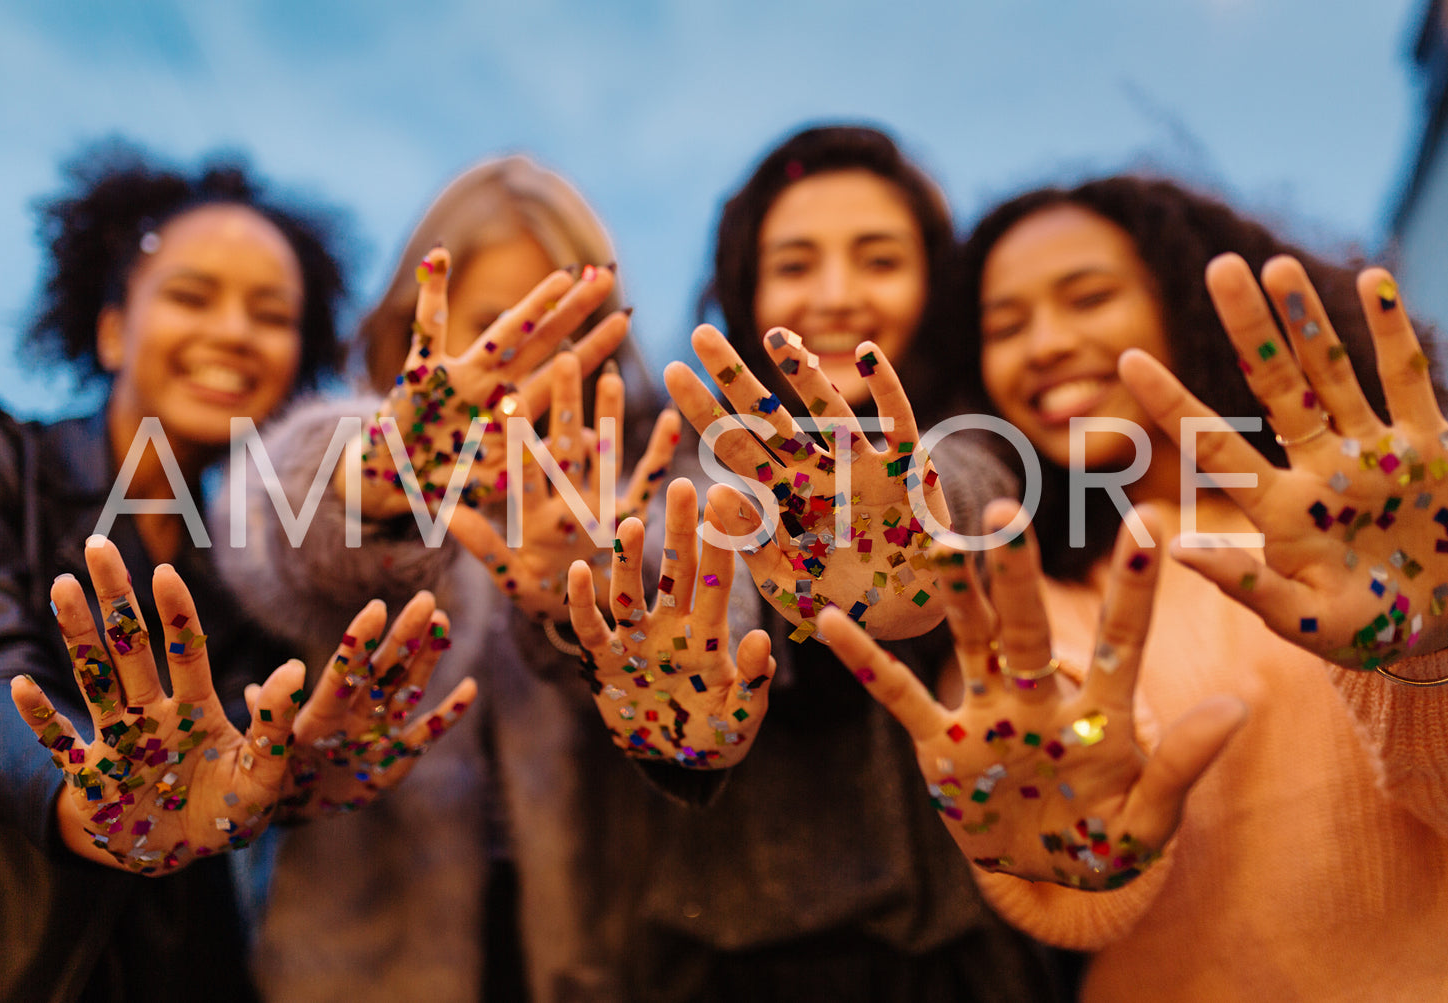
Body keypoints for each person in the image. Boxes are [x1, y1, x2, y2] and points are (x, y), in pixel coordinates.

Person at [821, 176, 1448, 999]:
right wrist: (1076, 854)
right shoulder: (1015, 597)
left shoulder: (1380, 533)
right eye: (1004, 325)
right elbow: (1079, 887)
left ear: (1182, 303)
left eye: (1087, 297)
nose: (1044, 343)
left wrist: (1422, 650)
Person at [0, 140, 473, 1003]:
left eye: (270, 314)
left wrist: (287, 782)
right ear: (112, 329)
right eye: (192, 295)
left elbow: (236, 770)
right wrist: (80, 793)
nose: (231, 331)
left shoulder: (257, 565)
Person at [573, 125, 1062, 1001]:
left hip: (953, 962)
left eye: (878, 260)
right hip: (709, 968)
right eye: (795, 264)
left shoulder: (981, 436)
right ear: (745, 285)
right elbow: (668, 559)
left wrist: (905, 541)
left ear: (933, 280)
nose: (836, 297)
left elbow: (965, 496)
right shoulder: (683, 455)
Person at [213, 154, 679, 1002]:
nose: (532, 359)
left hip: (596, 958)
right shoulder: (356, 440)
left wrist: (592, 580)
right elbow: (281, 526)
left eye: (564, 327)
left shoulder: (634, 483)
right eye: (497, 322)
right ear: (411, 326)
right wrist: (374, 486)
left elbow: (685, 652)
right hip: (364, 968)